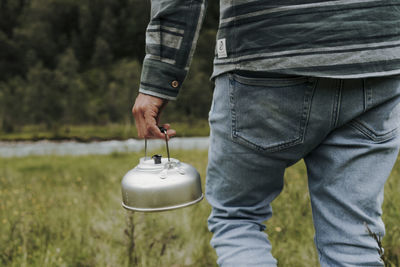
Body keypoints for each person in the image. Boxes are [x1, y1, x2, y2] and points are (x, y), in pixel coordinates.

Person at [132, 1, 400, 266]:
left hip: (266, 53)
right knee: (353, 239)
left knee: (238, 219)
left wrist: (159, 79)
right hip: (377, 56)